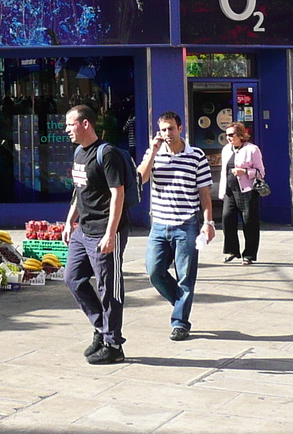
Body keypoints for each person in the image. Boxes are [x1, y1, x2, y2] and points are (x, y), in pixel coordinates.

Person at [137, 112, 214, 342]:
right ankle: (181, 302)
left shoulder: (196, 156)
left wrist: (208, 223)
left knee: (185, 278)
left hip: (186, 224)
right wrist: (152, 152)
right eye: (163, 130)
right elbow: (140, 179)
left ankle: (180, 322)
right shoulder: (154, 155)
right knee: (154, 272)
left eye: (171, 129)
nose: (167, 134)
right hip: (159, 224)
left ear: (180, 128)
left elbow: (205, 194)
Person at [62, 104, 129, 366]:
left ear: (85, 124)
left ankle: (113, 345)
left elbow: (118, 194)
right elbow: (79, 191)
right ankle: (101, 328)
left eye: (70, 124)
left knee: (108, 288)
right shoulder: (79, 152)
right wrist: (70, 222)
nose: (67, 130)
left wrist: (111, 234)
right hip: (83, 230)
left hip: (104, 231)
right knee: (73, 279)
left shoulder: (107, 154)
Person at [217, 123, 264, 264]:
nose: (228, 138)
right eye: (227, 135)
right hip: (230, 191)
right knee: (227, 219)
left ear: (241, 135)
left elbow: (261, 172)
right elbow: (223, 172)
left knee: (249, 223)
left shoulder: (252, 150)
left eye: (231, 135)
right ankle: (232, 250)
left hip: (247, 192)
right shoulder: (226, 149)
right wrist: (221, 190)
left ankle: (249, 254)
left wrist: (244, 172)